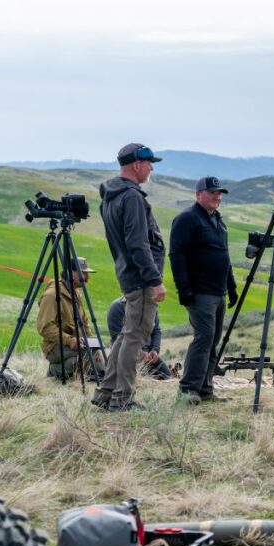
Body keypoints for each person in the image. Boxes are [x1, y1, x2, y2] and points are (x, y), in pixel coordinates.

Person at [93, 142, 167, 412]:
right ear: (137, 165)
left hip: (127, 273)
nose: (151, 169)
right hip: (141, 278)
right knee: (134, 337)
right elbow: (138, 243)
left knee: (126, 335)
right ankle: (122, 398)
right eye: (149, 164)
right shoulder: (132, 197)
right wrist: (154, 280)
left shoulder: (111, 196)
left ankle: (105, 392)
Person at [169, 176, 238, 405]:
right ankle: (188, 390)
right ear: (198, 194)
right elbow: (176, 255)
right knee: (204, 338)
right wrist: (183, 289)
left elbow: (224, 256)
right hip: (200, 291)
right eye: (212, 193)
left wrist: (231, 286)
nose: (217, 197)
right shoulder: (187, 218)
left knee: (213, 339)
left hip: (218, 292)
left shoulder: (217, 220)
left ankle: (206, 389)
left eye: (219, 193)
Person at [35, 257, 105, 380]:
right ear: (71, 273)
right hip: (56, 346)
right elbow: (44, 327)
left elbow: (84, 322)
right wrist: (69, 340)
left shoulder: (76, 293)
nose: (87, 278)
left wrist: (94, 346)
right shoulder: (51, 295)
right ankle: (54, 370)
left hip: (78, 343)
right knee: (84, 362)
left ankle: (86, 371)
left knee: (99, 365)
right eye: (84, 273)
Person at [106, 296, 172, 379]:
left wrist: (155, 350)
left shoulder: (151, 306)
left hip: (148, 357)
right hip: (123, 356)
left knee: (167, 377)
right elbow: (118, 339)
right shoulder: (117, 307)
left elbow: (156, 330)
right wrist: (140, 353)